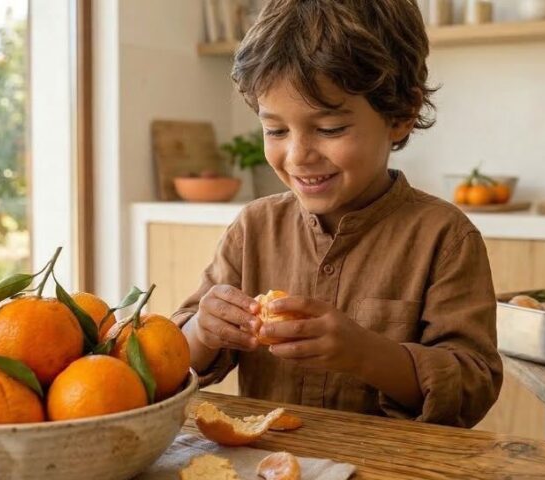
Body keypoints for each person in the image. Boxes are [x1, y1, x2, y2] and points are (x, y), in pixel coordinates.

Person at [172, 0, 501, 427]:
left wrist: (365, 354)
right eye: (275, 130)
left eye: (329, 129)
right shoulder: (253, 229)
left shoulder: (445, 238)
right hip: (274, 464)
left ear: (401, 115)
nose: (297, 155)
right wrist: (202, 329)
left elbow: (472, 387)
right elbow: (172, 359)